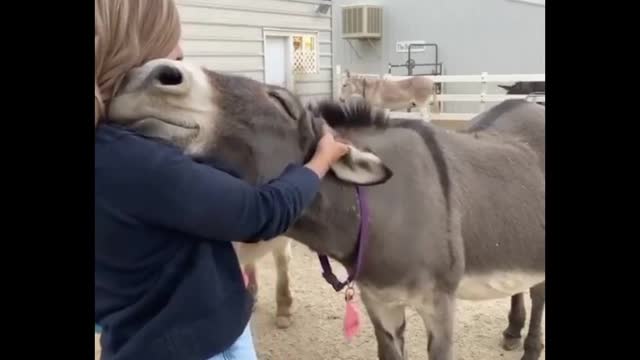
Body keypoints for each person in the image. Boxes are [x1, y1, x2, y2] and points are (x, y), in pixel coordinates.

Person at [94, 1, 349, 359]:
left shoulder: (120, 149)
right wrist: (321, 161)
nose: (181, 55)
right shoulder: (129, 160)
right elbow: (261, 214)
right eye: (172, 48)